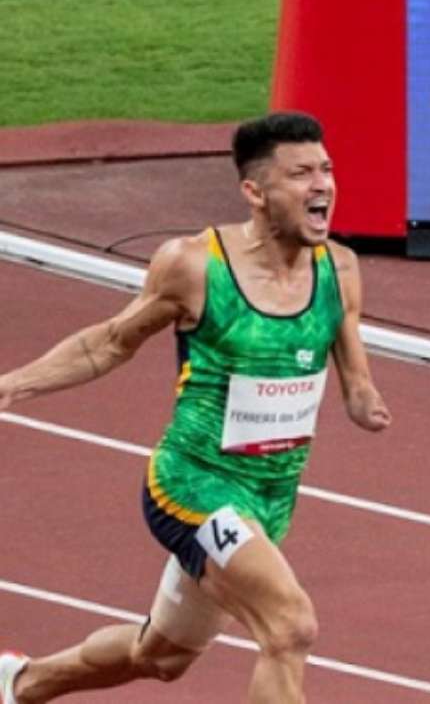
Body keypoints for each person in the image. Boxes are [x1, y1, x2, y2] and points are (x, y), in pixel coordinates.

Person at [0, 111, 391, 703]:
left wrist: (365, 402)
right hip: (193, 486)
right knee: (290, 626)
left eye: (327, 170)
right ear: (255, 192)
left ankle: (20, 684)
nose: (323, 186)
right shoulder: (195, 265)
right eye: (301, 174)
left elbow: (354, 376)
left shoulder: (339, 268)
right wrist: (13, 384)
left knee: (160, 656)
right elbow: (110, 342)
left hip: (271, 498)